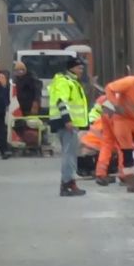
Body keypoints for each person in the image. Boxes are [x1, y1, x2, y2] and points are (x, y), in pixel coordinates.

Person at [49, 55, 90, 197]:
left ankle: (69, 182)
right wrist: (67, 119)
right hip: (66, 123)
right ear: (71, 68)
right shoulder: (65, 82)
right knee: (69, 155)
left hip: (69, 123)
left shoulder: (71, 81)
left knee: (71, 154)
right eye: (79, 68)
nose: (81, 71)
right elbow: (61, 101)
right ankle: (67, 184)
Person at [79, 95, 120, 185]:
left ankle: (100, 173)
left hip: (87, 144)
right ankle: (122, 175)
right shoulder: (116, 118)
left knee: (108, 150)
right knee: (117, 151)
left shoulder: (102, 116)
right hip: (93, 145)